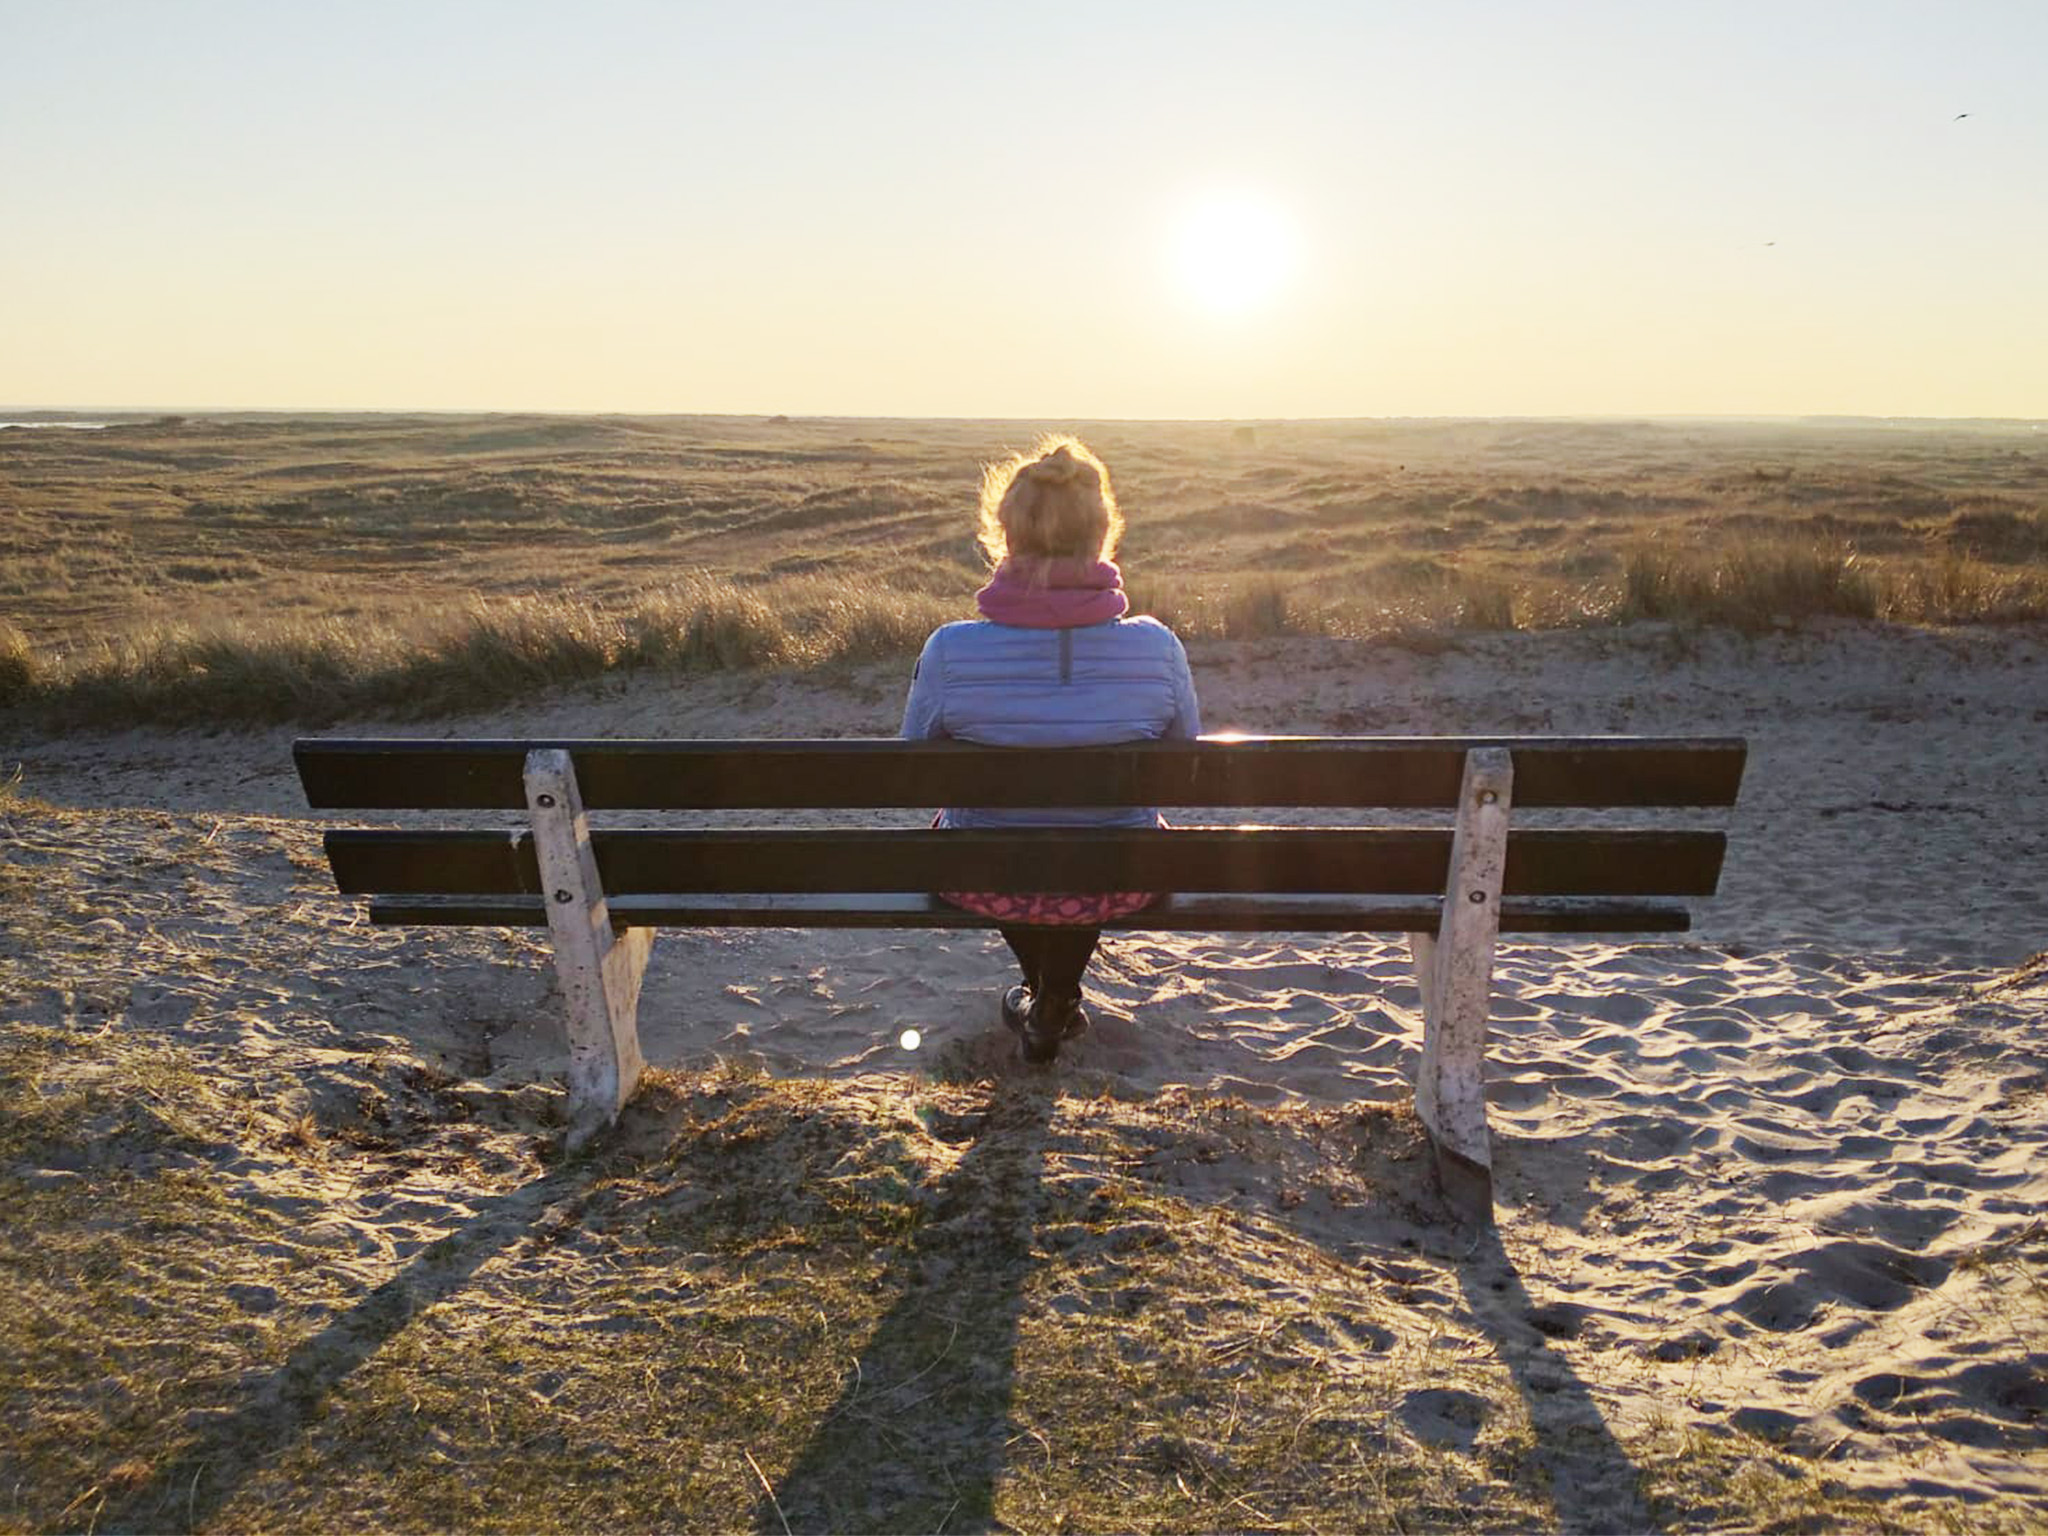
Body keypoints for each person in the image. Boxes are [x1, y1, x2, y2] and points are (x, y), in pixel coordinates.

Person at [901, 436, 1201, 1063]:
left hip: (986, 874)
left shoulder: (952, 649)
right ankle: (1055, 996)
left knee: (1000, 840)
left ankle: (1047, 993)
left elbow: (916, 766)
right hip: (1119, 872)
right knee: (1092, 843)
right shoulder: (1157, 647)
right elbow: (1184, 760)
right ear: (1102, 534)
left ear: (1005, 535)